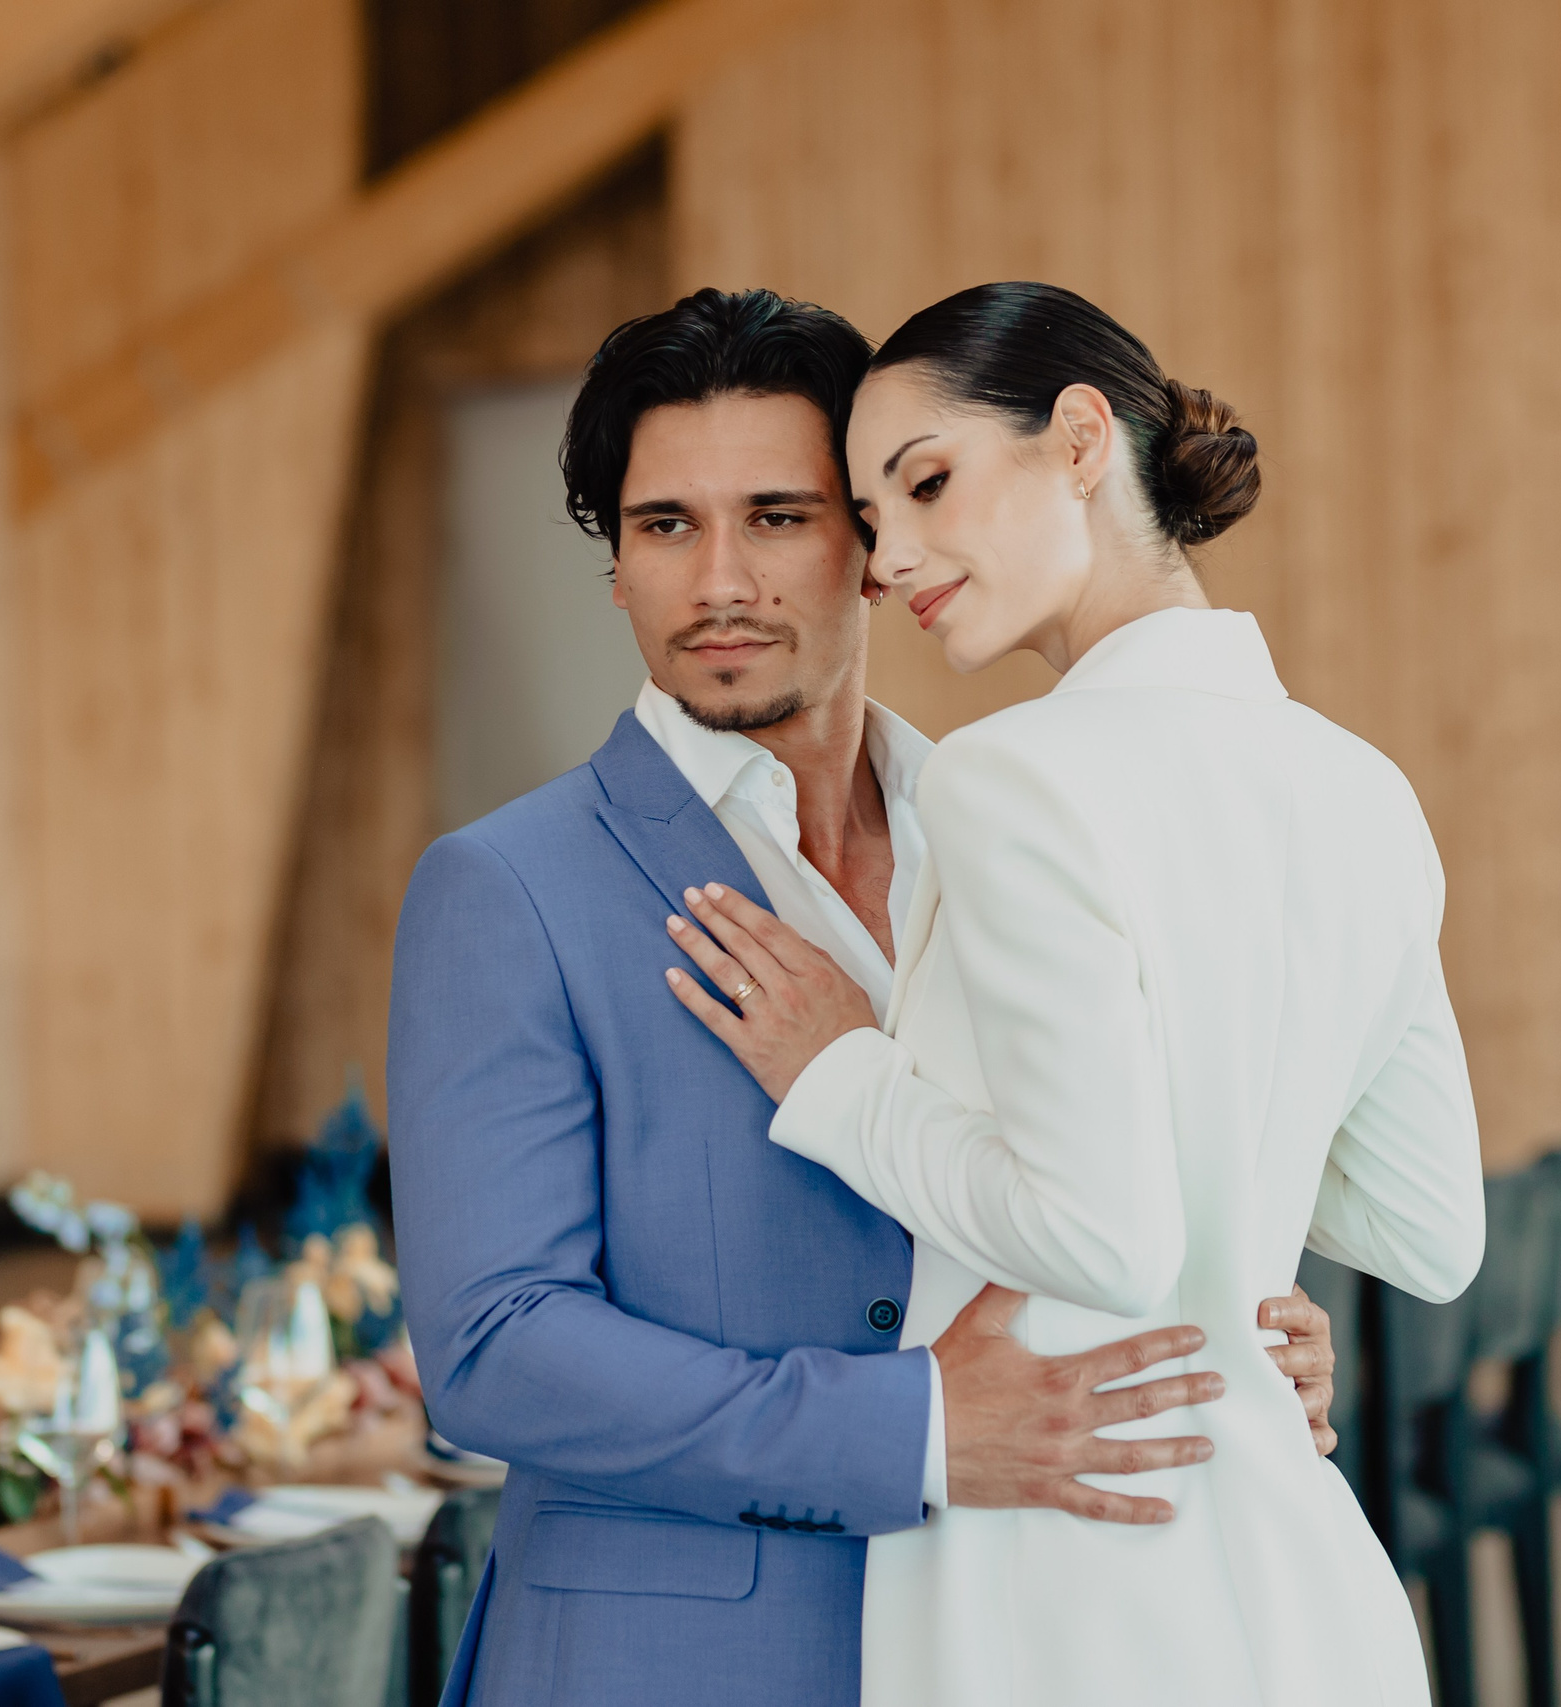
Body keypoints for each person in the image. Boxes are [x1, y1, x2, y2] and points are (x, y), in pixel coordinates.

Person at [387, 288, 1344, 1707]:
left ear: (876, 544)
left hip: (1014, 1635)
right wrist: (915, 1429)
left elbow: (1082, 1183)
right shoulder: (505, 887)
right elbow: (494, 1350)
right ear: (616, 569)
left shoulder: (1017, 826)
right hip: (664, 1662)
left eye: (778, 515)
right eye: (665, 527)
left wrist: (1234, 1329)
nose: (721, 581)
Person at [660, 282, 1486, 1704]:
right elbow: (1428, 1229)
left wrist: (840, 1076)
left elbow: (1099, 1238)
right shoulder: (1364, 787)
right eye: (871, 518)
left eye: (927, 484)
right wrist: (1242, 1235)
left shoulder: (1013, 776)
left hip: (1078, 1585)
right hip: (1305, 1590)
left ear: (1082, 437)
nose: (894, 556)